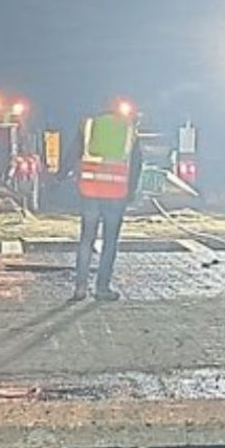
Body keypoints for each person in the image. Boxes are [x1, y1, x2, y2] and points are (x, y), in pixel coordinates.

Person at [72, 99, 143, 301]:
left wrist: (59, 179)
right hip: (115, 194)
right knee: (109, 242)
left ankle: (80, 287)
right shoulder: (128, 130)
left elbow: (74, 155)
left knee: (86, 239)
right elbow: (137, 163)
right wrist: (131, 191)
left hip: (90, 191)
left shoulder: (89, 125)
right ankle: (102, 288)